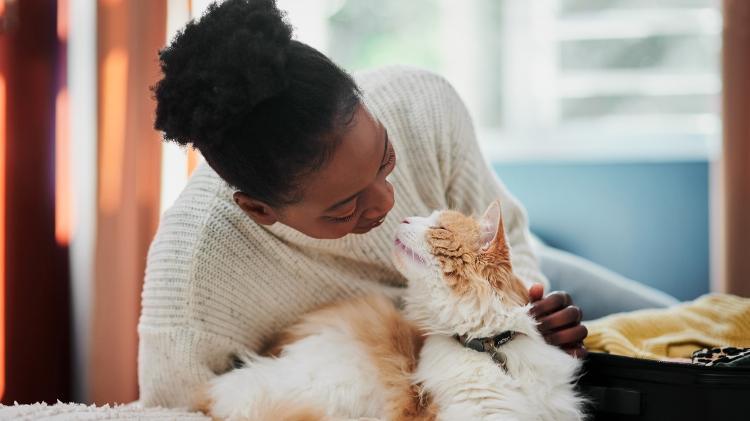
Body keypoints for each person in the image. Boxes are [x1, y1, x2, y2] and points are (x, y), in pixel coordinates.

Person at [140, 0, 617, 408]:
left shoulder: (424, 103)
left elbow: (506, 234)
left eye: (386, 160)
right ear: (259, 210)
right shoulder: (193, 274)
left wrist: (525, 314)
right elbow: (175, 410)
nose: (388, 203)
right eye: (344, 209)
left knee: (681, 335)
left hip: (499, 296)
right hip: (404, 365)